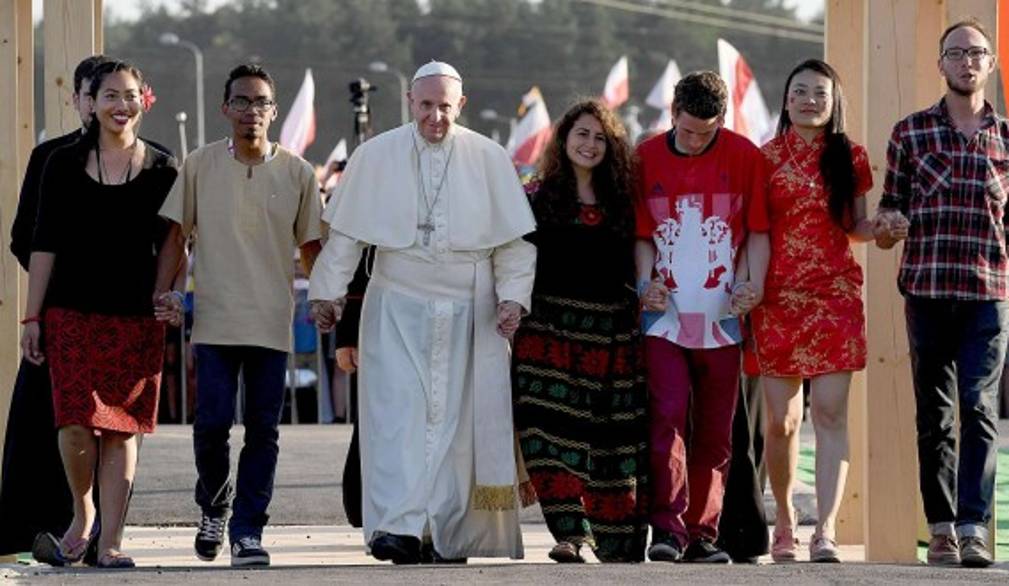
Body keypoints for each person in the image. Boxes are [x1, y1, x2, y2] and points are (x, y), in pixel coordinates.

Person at [308, 61, 536, 564]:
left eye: (445, 107)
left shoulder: (490, 158)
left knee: (456, 427)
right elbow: (346, 238)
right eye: (426, 105)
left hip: (469, 309)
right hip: (396, 305)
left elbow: (515, 245)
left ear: (462, 105)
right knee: (397, 419)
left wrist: (512, 299)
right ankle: (397, 527)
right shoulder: (375, 156)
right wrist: (326, 293)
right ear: (411, 101)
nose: (436, 117)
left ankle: (445, 531)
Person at [153, 63, 323, 567]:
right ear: (226, 109)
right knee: (210, 425)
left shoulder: (298, 172)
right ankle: (215, 507)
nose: (252, 112)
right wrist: (166, 293)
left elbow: (312, 246)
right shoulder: (199, 165)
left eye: (262, 103)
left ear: (274, 110)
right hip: (214, 321)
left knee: (263, 432)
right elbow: (175, 237)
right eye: (242, 102)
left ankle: (249, 530)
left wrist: (326, 297)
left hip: (272, 322)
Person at [18, 60, 178, 568]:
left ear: (143, 100)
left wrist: (164, 293)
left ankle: (110, 542)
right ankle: (82, 514)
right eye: (110, 95)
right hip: (69, 313)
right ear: (92, 102)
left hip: (134, 317)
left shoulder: (164, 167)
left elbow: (175, 240)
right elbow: (42, 244)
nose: (120, 105)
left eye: (130, 95)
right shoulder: (61, 163)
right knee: (74, 423)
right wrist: (31, 318)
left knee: (122, 427)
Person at [874, 18, 1005, 568]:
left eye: (976, 53)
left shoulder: (1007, 138)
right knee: (937, 414)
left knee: (978, 407)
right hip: (926, 290)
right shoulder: (910, 132)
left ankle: (975, 525)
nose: (966, 62)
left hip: (987, 293)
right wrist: (887, 226)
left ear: (991, 64)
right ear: (940, 63)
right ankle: (943, 527)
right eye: (956, 53)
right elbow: (888, 210)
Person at [635, 70, 770, 563]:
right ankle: (666, 530)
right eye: (687, 130)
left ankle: (703, 533)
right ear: (672, 114)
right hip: (665, 318)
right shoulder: (644, 157)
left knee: (715, 430)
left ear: (723, 122)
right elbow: (642, 235)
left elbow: (757, 231)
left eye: (706, 132)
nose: (695, 141)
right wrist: (644, 284)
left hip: (723, 318)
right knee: (667, 419)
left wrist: (753, 284)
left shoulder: (745, 157)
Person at [745, 59, 875, 563]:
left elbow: (856, 227)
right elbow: (755, 229)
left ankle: (826, 528)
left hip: (835, 296)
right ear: (785, 100)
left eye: (820, 92)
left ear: (833, 100)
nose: (810, 100)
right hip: (777, 299)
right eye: (799, 91)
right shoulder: (765, 159)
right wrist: (749, 285)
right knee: (780, 421)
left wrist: (881, 227)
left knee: (830, 412)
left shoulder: (852, 156)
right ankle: (784, 516)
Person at [510, 100, 647, 563]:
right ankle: (570, 535)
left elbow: (643, 264)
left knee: (611, 449)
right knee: (545, 438)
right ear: (564, 139)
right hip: (545, 336)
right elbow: (510, 262)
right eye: (581, 134)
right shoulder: (534, 197)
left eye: (599, 138)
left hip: (611, 338)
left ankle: (617, 544)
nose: (589, 144)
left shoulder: (625, 203)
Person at [0, 54, 108, 563]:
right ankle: (26, 529)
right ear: (78, 99)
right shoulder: (50, 156)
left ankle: (100, 531)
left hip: (117, 316)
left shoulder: (152, 158)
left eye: (112, 93)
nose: (99, 105)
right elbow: (25, 237)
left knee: (110, 425)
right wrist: (48, 297)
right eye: (91, 95)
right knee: (37, 420)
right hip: (59, 312)